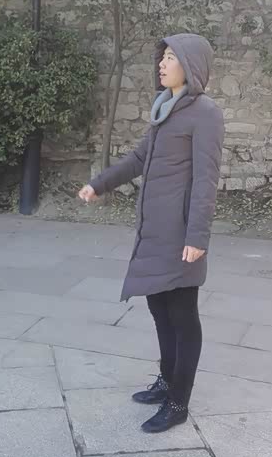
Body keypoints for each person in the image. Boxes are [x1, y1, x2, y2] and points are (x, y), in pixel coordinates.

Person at [78, 33, 225, 433]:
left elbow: (206, 180)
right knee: (159, 307)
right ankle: (166, 379)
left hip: (181, 234)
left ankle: (179, 401)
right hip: (155, 230)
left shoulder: (205, 113)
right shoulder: (165, 108)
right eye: (162, 56)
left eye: (171, 57)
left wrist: (197, 237)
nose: (162, 63)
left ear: (191, 66)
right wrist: (100, 184)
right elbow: (139, 158)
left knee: (182, 314)